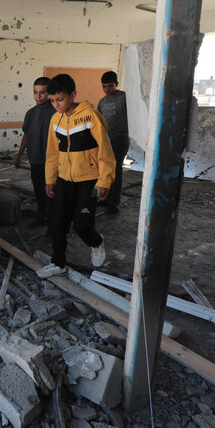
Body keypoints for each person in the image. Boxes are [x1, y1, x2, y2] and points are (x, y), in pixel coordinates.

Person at [36, 74, 116, 278]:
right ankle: (58, 262)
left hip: (88, 180)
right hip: (64, 179)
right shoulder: (56, 119)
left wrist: (104, 180)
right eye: (52, 100)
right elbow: (52, 153)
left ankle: (96, 242)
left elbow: (105, 151)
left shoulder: (91, 116)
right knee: (57, 221)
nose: (56, 105)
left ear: (73, 95)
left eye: (60, 99)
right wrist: (50, 179)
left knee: (81, 223)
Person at [15, 77, 56, 227]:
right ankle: (41, 217)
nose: (38, 96)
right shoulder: (30, 113)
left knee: (51, 192)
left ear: (49, 92)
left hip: (52, 162)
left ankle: (53, 224)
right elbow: (26, 135)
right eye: (35, 92)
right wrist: (19, 156)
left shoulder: (55, 112)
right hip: (35, 159)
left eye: (42, 92)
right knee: (38, 191)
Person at [96, 71, 129, 214]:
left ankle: (114, 203)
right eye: (104, 87)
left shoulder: (124, 98)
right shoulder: (102, 102)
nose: (107, 89)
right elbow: (98, 122)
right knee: (106, 170)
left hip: (120, 139)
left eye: (110, 86)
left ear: (116, 84)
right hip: (106, 141)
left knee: (115, 171)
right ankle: (108, 198)